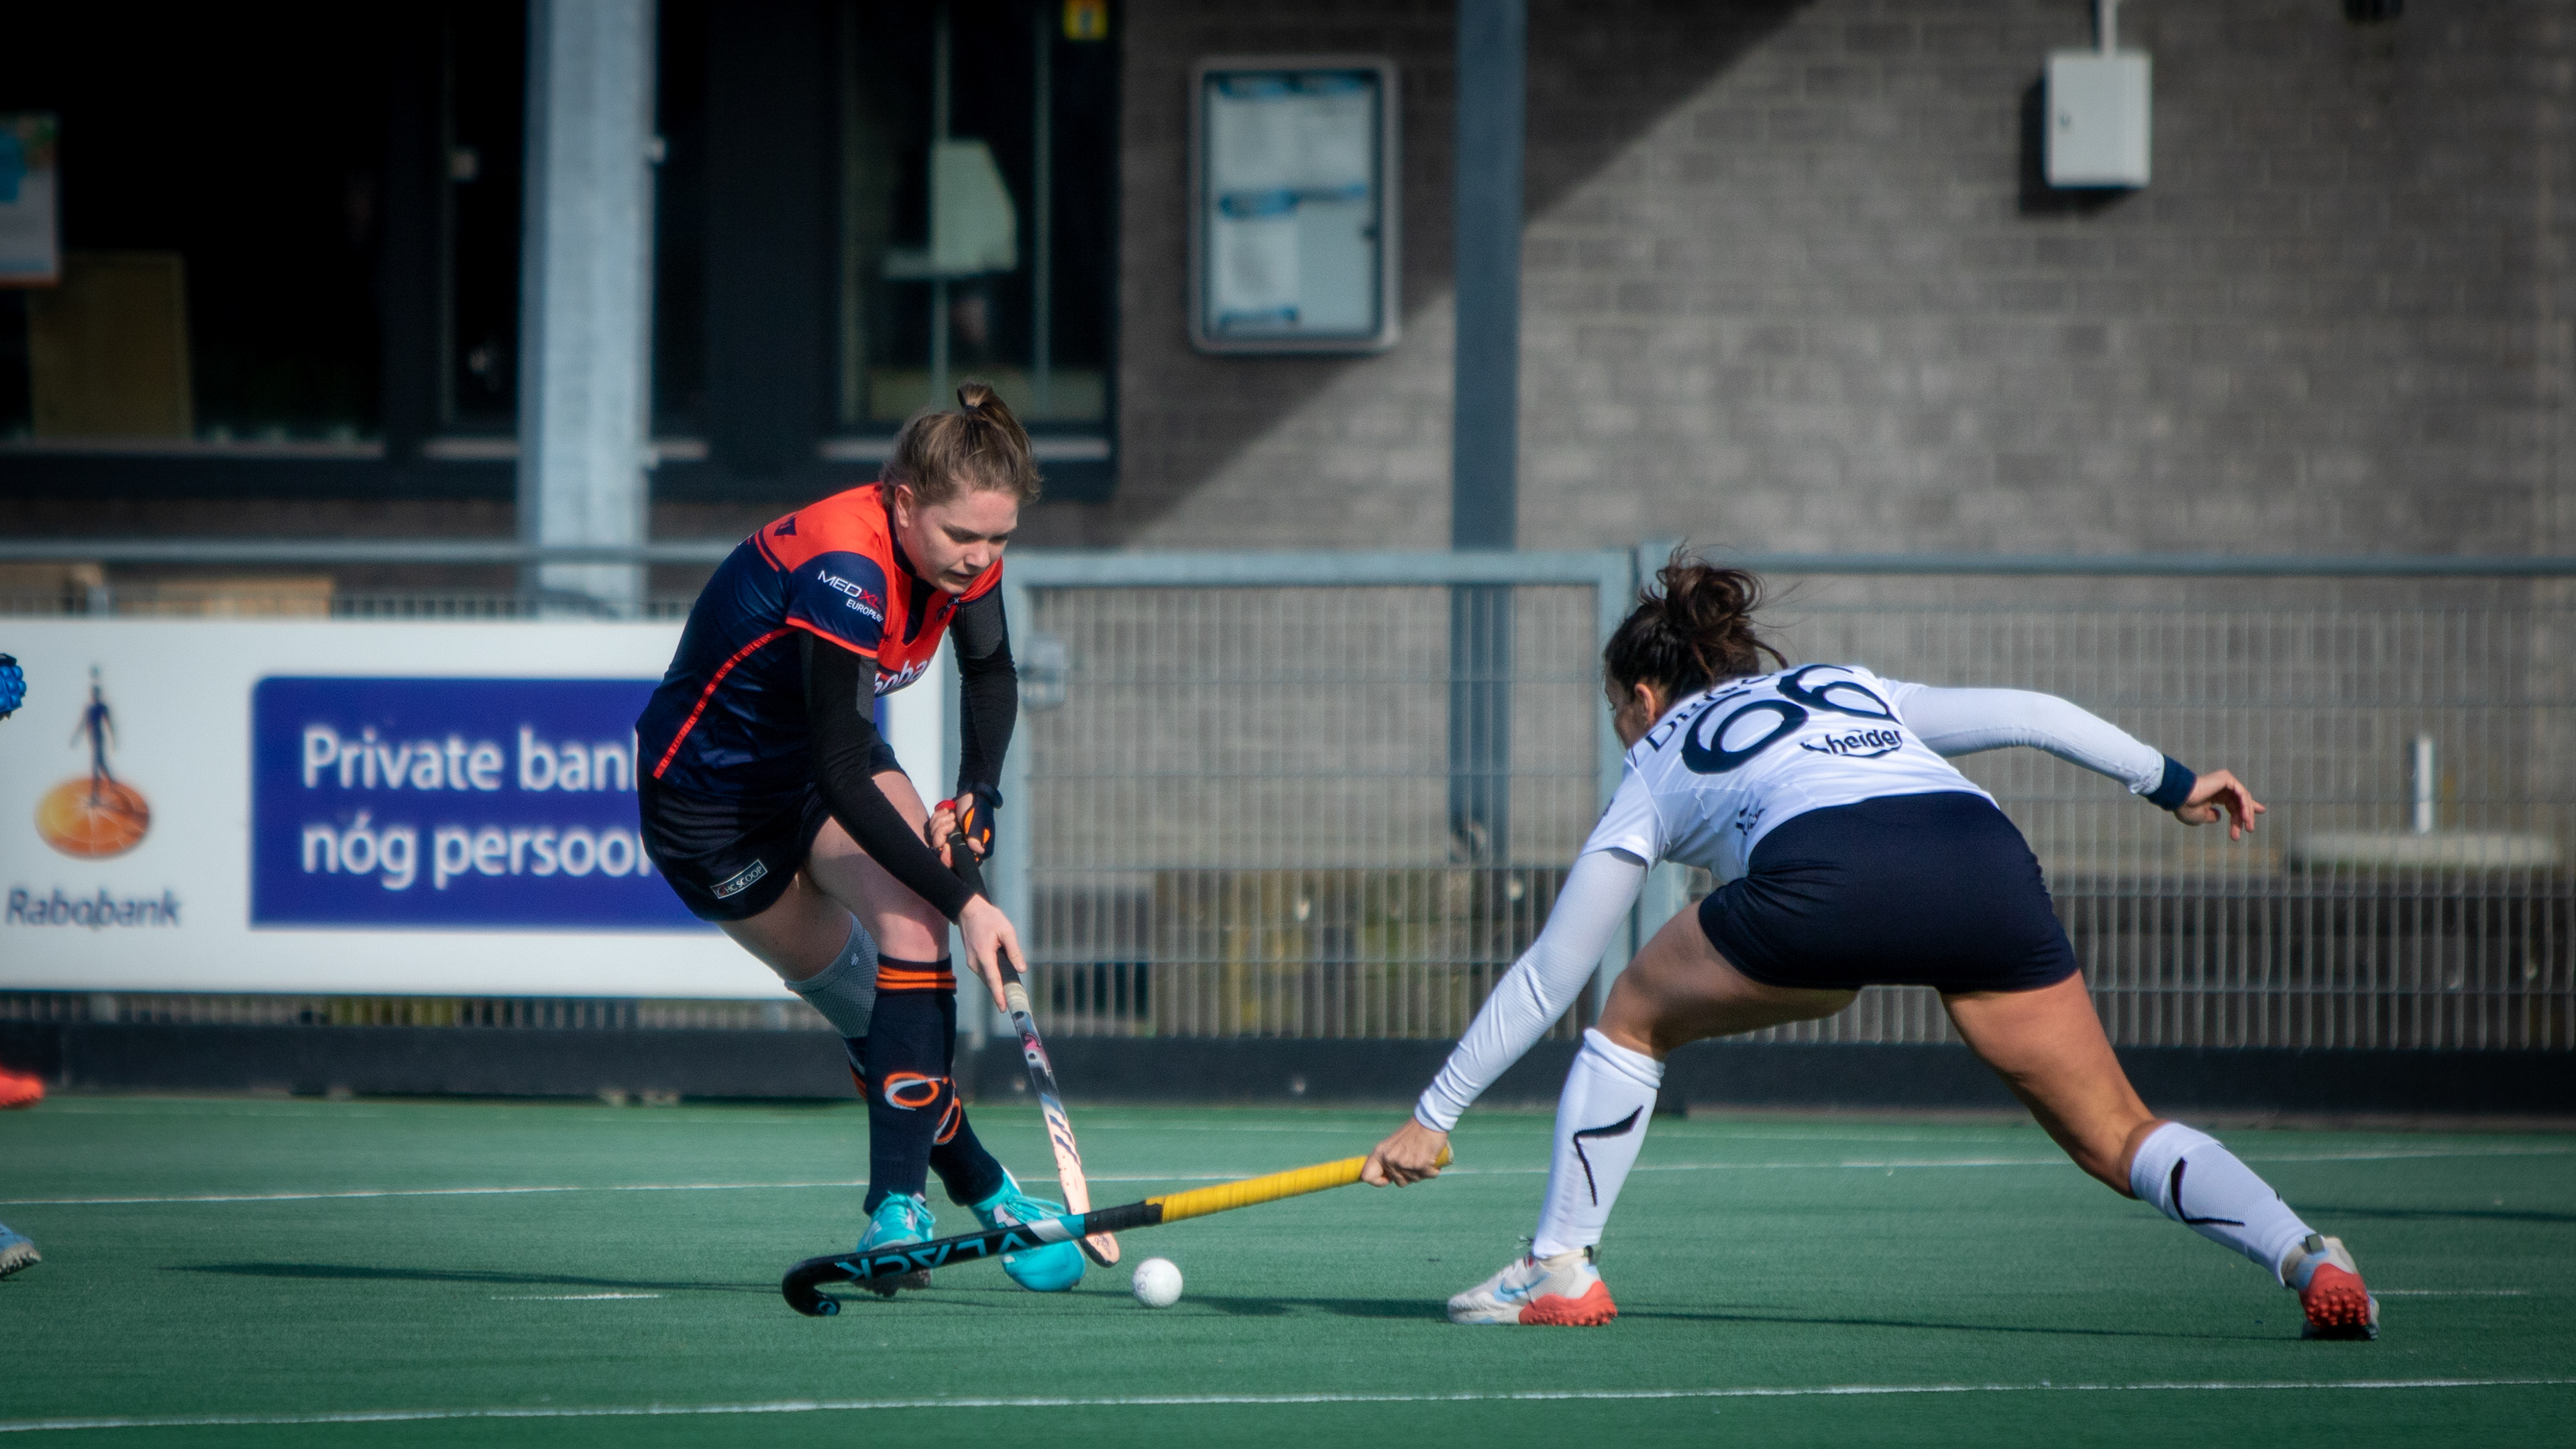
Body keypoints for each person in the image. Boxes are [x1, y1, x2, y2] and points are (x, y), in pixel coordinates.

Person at [1362, 553, 2377, 1340]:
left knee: (1630, 1016)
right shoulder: (1845, 686)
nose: (1623, 732)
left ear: (1643, 699)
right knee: (2118, 1133)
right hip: (1984, 866)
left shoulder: (1657, 759)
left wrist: (1432, 1116)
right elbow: (2034, 714)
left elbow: (1554, 969)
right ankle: (2308, 1258)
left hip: (1824, 893)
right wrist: (2175, 783)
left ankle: (1559, 1269)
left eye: (1615, 714)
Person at [635, 382, 1082, 1295]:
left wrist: (978, 793)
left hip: (815, 761)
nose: (981, 559)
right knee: (869, 1011)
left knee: (913, 923)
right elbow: (845, 766)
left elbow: (990, 670)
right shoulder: (846, 562)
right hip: (713, 809)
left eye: (1000, 540)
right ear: (906, 503)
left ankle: (895, 1210)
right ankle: (986, 1185)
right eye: (965, 537)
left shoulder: (963, 555)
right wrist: (971, 902)